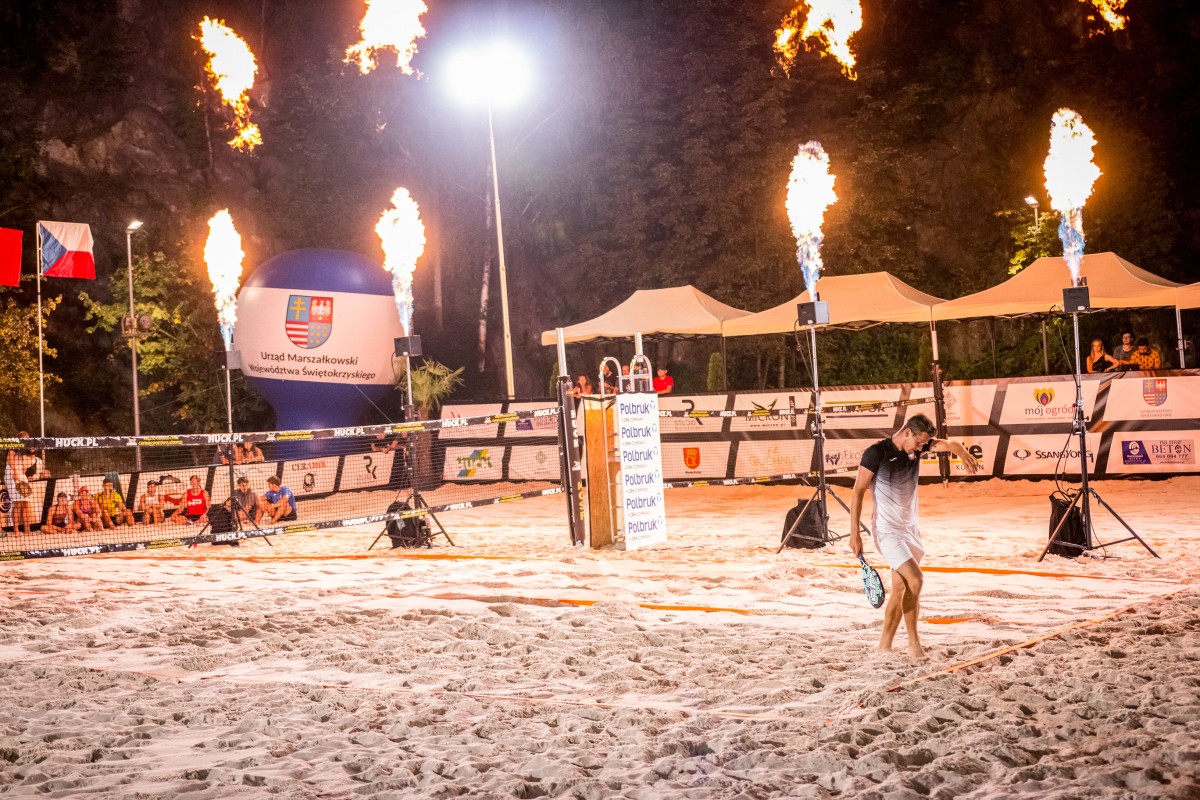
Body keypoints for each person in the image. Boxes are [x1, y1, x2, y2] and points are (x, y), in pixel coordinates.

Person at [848, 414, 981, 660]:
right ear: (907, 432)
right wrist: (855, 534)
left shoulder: (918, 447)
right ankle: (914, 645)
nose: (921, 448)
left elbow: (950, 444)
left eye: (923, 444)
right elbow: (857, 492)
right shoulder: (876, 453)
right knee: (916, 579)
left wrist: (962, 452)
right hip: (887, 531)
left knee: (900, 588)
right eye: (919, 443)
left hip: (910, 529)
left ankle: (884, 646)